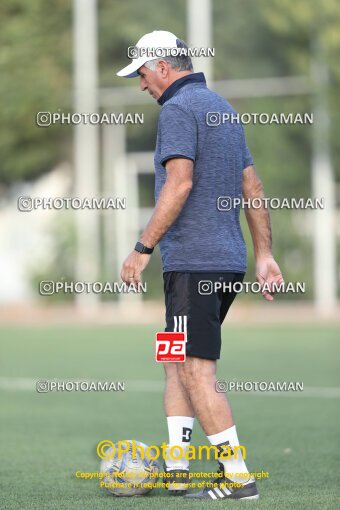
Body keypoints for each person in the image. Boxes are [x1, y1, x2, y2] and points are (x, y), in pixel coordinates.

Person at [117, 30, 283, 500]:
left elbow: (179, 184)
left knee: (194, 369)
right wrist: (264, 254)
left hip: (195, 265)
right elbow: (252, 187)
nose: (142, 84)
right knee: (174, 362)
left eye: (143, 74)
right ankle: (177, 468)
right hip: (219, 263)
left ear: (165, 68)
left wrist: (142, 247)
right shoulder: (222, 108)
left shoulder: (176, 109)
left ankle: (237, 478)